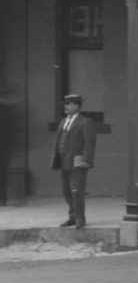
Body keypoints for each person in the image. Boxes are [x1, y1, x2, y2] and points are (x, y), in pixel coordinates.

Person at [50, 93, 96, 228]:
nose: (66, 107)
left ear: (77, 106)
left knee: (77, 191)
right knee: (66, 191)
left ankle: (80, 219)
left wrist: (86, 160)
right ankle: (73, 217)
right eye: (65, 104)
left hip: (77, 161)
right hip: (64, 161)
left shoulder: (85, 122)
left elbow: (90, 143)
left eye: (69, 104)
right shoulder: (63, 121)